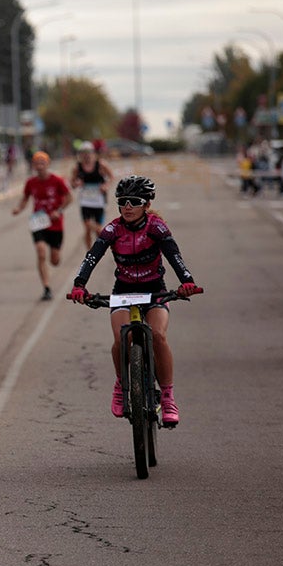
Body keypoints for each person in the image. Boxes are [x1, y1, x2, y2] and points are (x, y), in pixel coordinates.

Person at [66, 175, 203, 426]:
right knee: (121, 338)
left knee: (158, 336)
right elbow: (91, 257)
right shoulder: (112, 229)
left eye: (134, 201)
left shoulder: (157, 227)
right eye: (122, 202)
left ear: (147, 204)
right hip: (123, 291)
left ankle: (169, 396)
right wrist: (79, 286)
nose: (127, 207)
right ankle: (121, 384)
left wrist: (187, 282)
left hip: (155, 291)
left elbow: (174, 256)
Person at [11, 151, 72, 300]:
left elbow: (69, 197)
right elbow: (25, 198)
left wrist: (59, 210)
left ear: (48, 164)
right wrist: (19, 208)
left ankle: (54, 257)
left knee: (55, 261)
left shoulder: (57, 180)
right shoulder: (31, 182)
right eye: (36, 163)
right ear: (33, 165)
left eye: (42, 163)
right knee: (40, 251)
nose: (39, 166)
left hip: (55, 223)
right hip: (38, 221)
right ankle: (46, 287)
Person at [69, 141, 115, 249]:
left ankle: (99, 249)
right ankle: (89, 252)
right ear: (80, 154)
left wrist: (106, 186)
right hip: (85, 200)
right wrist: (76, 183)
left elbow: (111, 177)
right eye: (84, 153)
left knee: (98, 229)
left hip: (99, 200)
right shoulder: (77, 167)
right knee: (87, 226)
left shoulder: (100, 164)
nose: (86, 155)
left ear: (93, 153)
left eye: (88, 152)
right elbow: (72, 183)